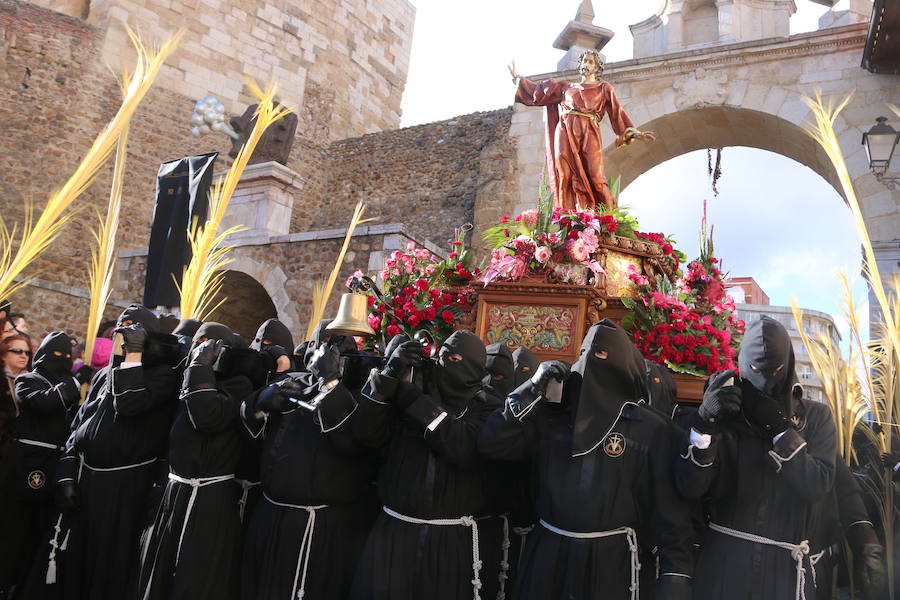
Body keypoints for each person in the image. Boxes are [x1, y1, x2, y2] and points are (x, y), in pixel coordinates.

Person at [478, 320, 693, 600]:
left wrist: (675, 574)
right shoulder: (551, 416)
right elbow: (492, 445)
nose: (589, 362)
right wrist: (531, 390)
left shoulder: (650, 429)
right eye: (582, 353)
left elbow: (670, 508)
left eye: (601, 354)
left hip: (610, 561)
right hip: (548, 552)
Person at [25, 305, 182, 600]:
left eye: (134, 329)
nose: (125, 335)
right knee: (69, 566)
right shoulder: (101, 376)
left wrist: (133, 358)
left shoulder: (162, 376)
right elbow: (78, 427)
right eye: (123, 328)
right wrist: (66, 473)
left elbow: (129, 403)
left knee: (106, 569)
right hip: (85, 483)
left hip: (124, 491)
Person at [675, 315, 837, 599]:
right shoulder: (726, 414)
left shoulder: (815, 418)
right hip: (724, 565)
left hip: (784, 571)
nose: (766, 379)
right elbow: (690, 487)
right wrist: (703, 424)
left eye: (775, 369)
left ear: (787, 365)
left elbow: (818, 486)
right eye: (754, 369)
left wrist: (780, 433)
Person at [350, 330, 497, 600]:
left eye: (455, 358)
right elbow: (365, 434)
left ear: (474, 368)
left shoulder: (486, 407)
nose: (445, 364)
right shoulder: (412, 388)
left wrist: (417, 404)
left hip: (450, 540)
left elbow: (462, 447)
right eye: (442, 356)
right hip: (395, 531)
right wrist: (389, 375)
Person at [240, 338, 377, 600]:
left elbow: (355, 441)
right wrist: (259, 401)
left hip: (326, 529)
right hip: (273, 516)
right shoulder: (294, 381)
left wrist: (330, 382)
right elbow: (249, 424)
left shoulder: (363, 392)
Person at [135, 322, 253, 600]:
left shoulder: (239, 385)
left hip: (210, 497)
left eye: (211, 344)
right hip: (173, 492)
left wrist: (199, 366)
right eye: (199, 343)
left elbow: (206, 416)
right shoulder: (182, 379)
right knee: (159, 572)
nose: (201, 349)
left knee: (196, 575)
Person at [510, 50, 654, 210]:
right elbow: (540, 92)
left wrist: (633, 132)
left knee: (596, 177)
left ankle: (606, 218)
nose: (586, 64)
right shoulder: (566, 87)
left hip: (589, 132)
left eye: (591, 62)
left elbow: (617, 113)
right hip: (565, 131)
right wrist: (518, 79)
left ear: (597, 67)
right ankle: (566, 219)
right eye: (584, 60)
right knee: (565, 175)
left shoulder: (604, 88)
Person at [0, 332, 79, 598]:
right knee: (13, 527)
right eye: (57, 354)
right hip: (24, 465)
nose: (63, 360)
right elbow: (39, 402)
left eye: (67, 355)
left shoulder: (71, 385)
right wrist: (67, 390)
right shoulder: (28, 379)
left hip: (53, 465)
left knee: (38, 532)